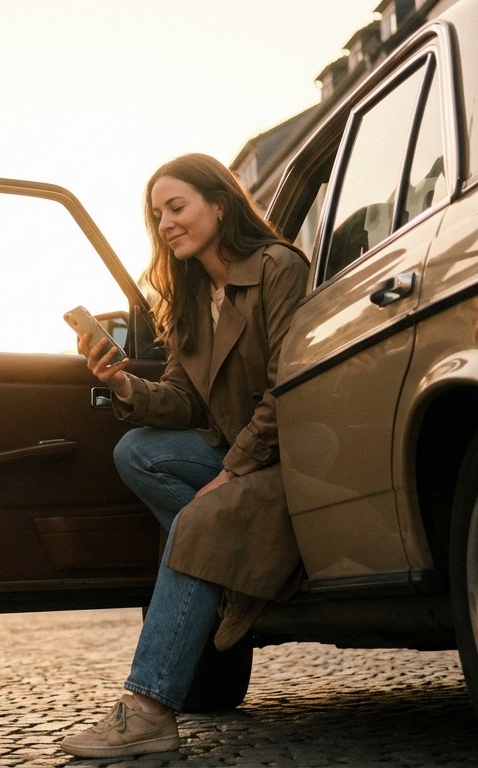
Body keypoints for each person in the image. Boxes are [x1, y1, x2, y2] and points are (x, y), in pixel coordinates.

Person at [60, 154, 308, 759]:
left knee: (200, 519)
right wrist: (120, 385)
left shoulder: (278, 268)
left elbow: (287, 387)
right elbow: (179, 403)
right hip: (233, 456)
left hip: (286, 459)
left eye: (178, 207)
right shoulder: (192, 299)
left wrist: (231, 471)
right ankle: (233, 573)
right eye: (157, 215)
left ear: (219, 204)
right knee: (137, 451)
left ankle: (147, 710)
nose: (166, 224)